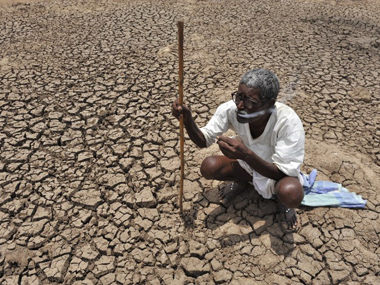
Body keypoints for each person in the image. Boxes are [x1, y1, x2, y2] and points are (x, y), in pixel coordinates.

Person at [172, 68, 305, 233]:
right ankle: (243, 181)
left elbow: (282, 172)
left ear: (269, 104)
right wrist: (188, 120)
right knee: (209, 166)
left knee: (291, 193)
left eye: (250, 101)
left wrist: (246, 155)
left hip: (275, 173)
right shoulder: (231, 109)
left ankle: (282, 204)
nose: (241, 106)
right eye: (238, 97)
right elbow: (203, 140)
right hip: (248, 167)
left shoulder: (288, 122)